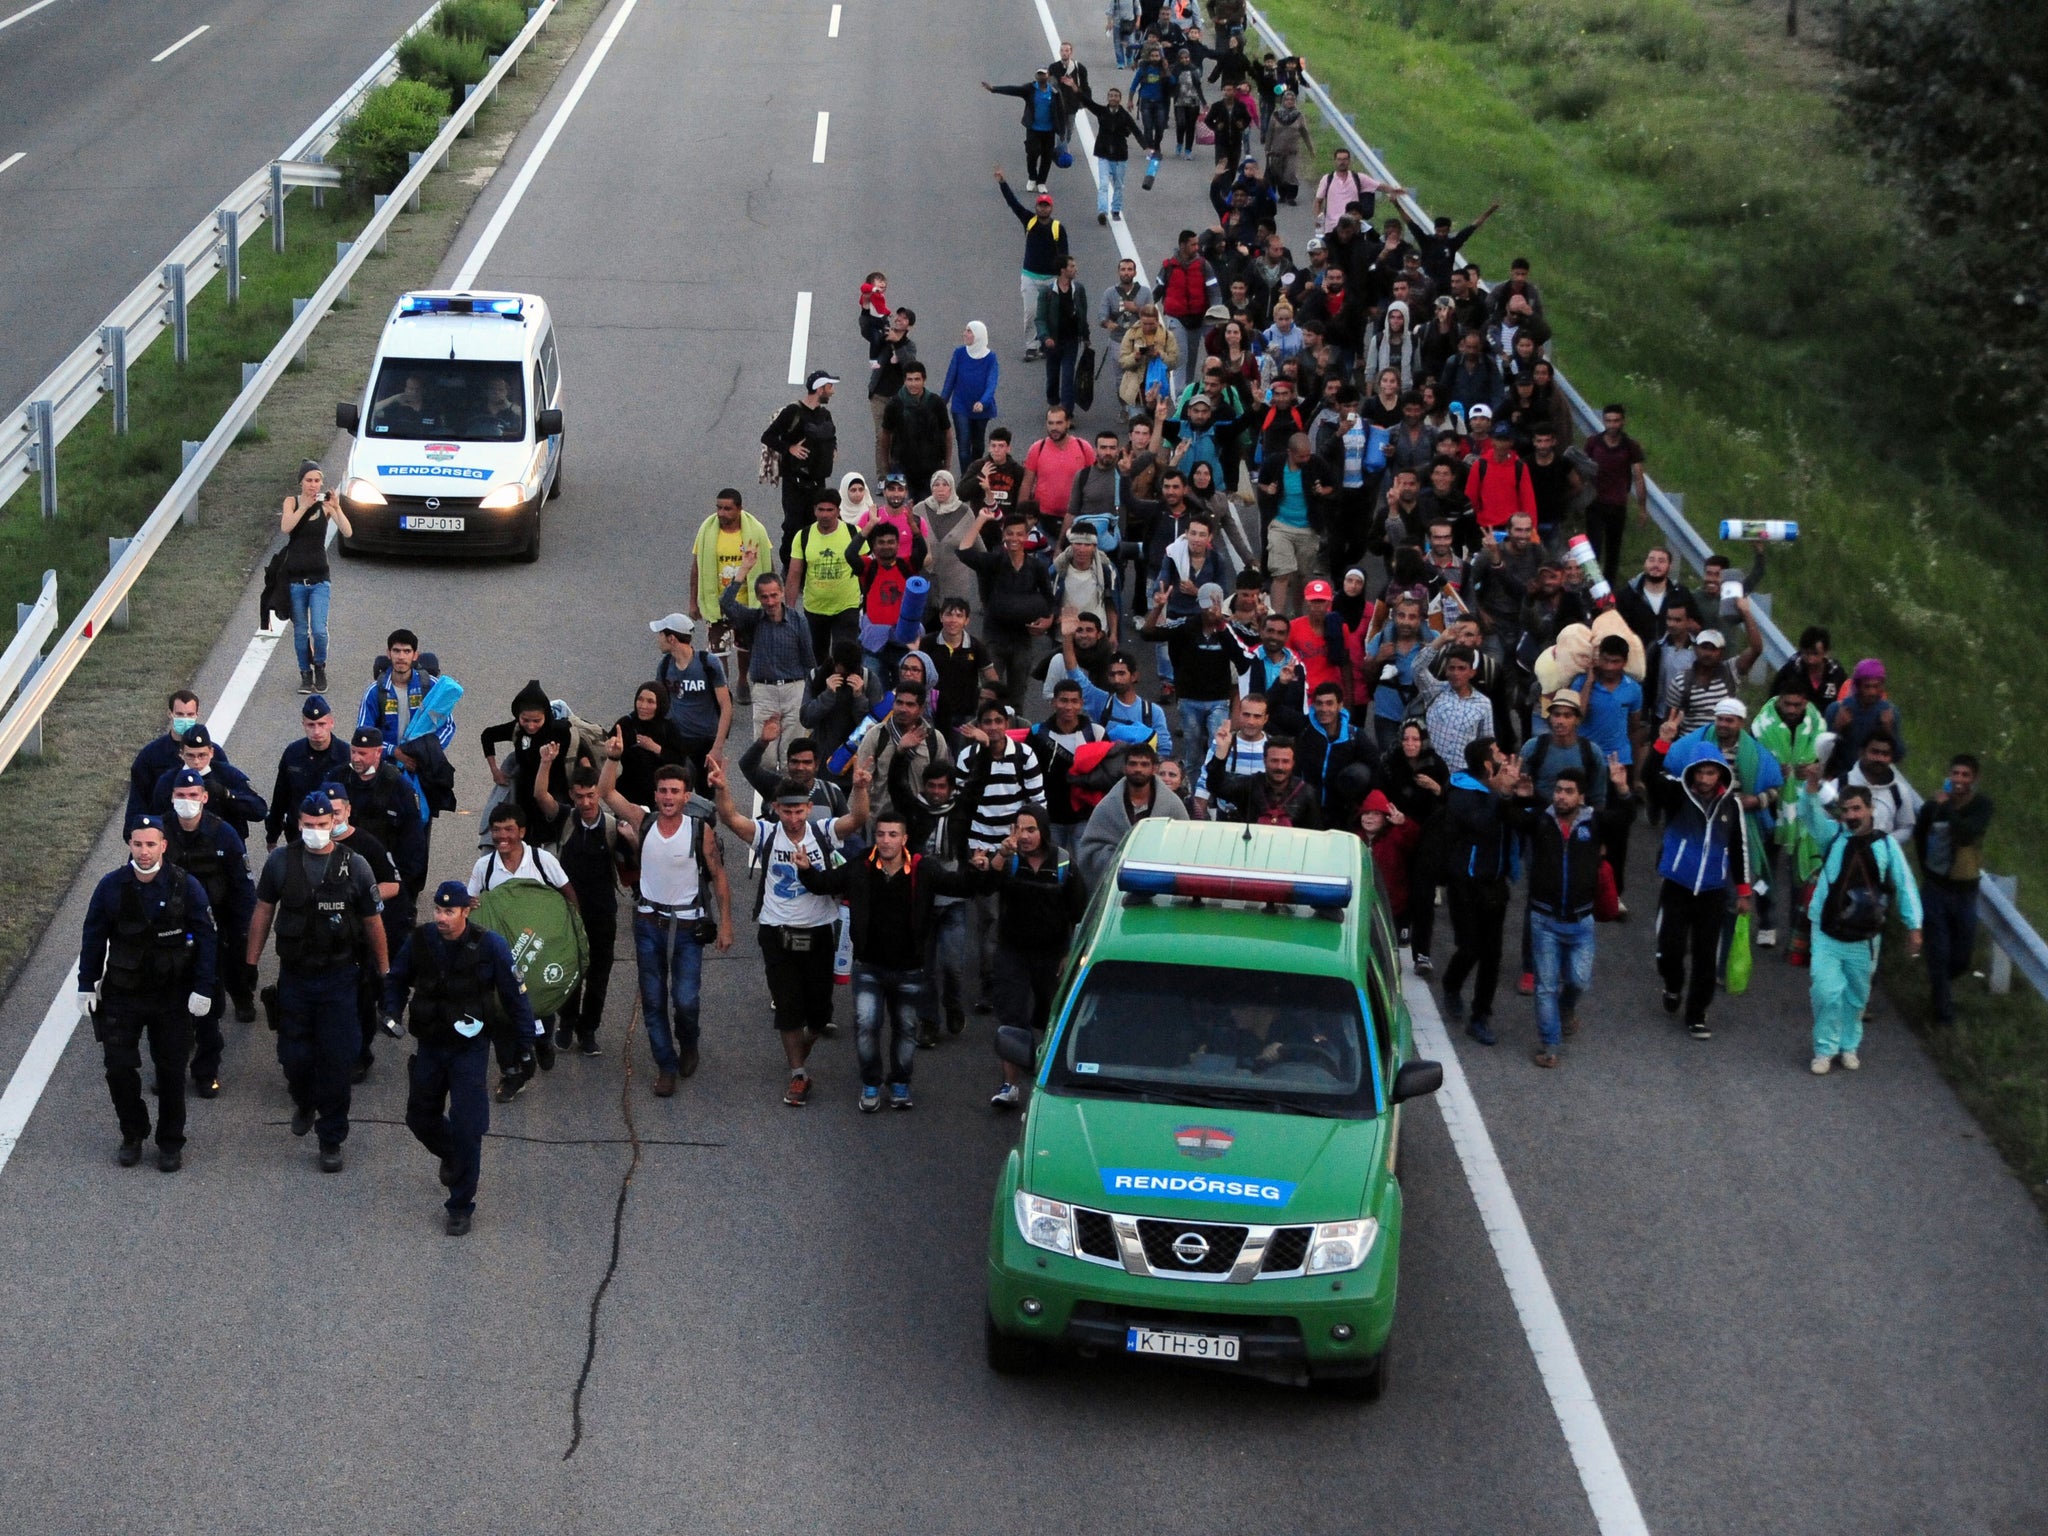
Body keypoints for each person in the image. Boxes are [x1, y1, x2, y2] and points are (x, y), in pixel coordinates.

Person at [708, 758, 869, 1106]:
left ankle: (802, 1045)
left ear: (809, 809)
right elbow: (731, 819)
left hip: (819, 932)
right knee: (787, 1007)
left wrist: (859, 788)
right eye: (787, 812)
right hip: (776, 932)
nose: (794, 819)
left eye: (800, 812)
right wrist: (722, 789)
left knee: (820, 1014)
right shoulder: (767, 834)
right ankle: (798, 1074)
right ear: (776, 809)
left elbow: (857, 819)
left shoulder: (823, 833)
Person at [379, 882, 535, 1235]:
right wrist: (391, 1011)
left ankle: (460, 1204)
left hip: (469, 1049)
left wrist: (527, 1044)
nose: (442, 918)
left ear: (467, 911)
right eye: (438, 910)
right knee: (419, 1117)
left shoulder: (490, 945)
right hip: (431, 1045)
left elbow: (515, 996)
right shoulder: (421, 941)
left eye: (450, 912)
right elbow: (397, 979)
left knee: (468, 1127)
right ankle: (452, 1154)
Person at [793, 808, 975, 1109]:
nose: (886, 840)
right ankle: (871, 1084)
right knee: (866, 1024)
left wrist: (984, 867)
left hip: (909, 969)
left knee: (905, 1029)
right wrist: (806, 869)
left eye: (892, 835)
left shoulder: (923, 869)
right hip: (869, 968)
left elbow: (962, 887)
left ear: (904, 838)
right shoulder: (860, 865)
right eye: (880, 834)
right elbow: (825, 883)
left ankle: (900, 1083)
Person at [245, 791, 387, 1170]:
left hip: (340, 978)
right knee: (294, 1057)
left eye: (323, 825)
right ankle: (304, 1100)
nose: (316, 832)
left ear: (333, 825)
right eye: (309, 825)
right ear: (299, 824)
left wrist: (385, 972)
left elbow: (373, 922)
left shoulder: (355, 866)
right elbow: (263, 911)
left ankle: (331, 1138)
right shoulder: (280, 862)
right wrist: (251, 961)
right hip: (296, 978)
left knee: (338, 1061)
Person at [77, 817, 218, 1171]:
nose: (144, 851)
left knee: (171, 1072)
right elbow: (94, 936)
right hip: (123, 995)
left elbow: (205, 939)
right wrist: (86, 982)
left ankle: (170, 1143)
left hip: (172, 996)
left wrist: (203, 988)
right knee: (118, 1068)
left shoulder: (186, 887)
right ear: (130, 845)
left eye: (151, 844)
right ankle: (133, 1133)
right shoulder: (111, 887)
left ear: (163, 846)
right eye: (138, 844)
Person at [606, 764, 731, 1096]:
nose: (668, 797)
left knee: (686, 1000)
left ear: (686, 796)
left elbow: (718, 875)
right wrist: (612, 759)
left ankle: (689, 1042)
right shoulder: (643, 821)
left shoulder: (698, 830)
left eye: (675, 791)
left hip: (688, 927)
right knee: (653, 1000)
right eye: (663, 790)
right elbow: (607, 792)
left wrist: (726, 924)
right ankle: (666, 1065)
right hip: (648, 924)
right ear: (655, 794)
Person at [1511, 759, 1638, 1067]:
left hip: (1581, 921)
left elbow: (1625, 820)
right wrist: (1514, 793)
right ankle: (1550, 1044)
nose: (1561, 797)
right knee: (1545, 986)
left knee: (1579, 981)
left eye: (1568, 791)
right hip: (1544, 920)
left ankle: (1567, 1009)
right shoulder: (1541, 820)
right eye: (1558, 790)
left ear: (1581, 796)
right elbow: (1510, 818)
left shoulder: (1594, 822)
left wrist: (1622, 789)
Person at [1802, 784, 1923, 1075]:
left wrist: (1914, 926)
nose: (1851, 815)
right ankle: (1824, 1049)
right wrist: (1810, 789)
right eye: (1845, 810)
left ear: (1870, 810)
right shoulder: (1831, 836)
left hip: (1865, 937)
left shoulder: (1886, 845)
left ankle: (1849, 1046)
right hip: (1827, 931)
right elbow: (1808, 814)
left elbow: (1905, 885)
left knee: (1857, 996)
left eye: (1857, 808)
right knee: (1826, 991)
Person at [975, 804, 1088, 1108]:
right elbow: (985, 888)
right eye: (1018, 829)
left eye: (1030, 830)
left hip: (1052, 955)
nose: (1023, 836)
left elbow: (1080, 913)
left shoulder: (1064, 864)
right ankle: (1009, 1085)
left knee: (1049, 1016)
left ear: (1043, 831)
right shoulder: (1009, 861)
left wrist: (1070, 954)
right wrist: (1000, 856)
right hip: (1012, 952)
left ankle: (1047, 1079)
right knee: (1012, 1016)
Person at [1645, 740, 1751, 1040]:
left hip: (1713, 890)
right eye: (1700, 773)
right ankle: (1673, 984)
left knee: (1706, 956)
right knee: (1670, 947)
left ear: (1720, 775)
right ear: (1691, 772)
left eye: (1711, 773)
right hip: (1676, 885)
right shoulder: (1676, 794)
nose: (1705, 780)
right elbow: (1649, 777)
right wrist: (1661, 742)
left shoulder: (1732, 805)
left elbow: (1738, 846)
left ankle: (1697, 1014)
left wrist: (1743, 891)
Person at [161, 768, 254, 1093]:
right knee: (167, 1011)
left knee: (207, 1008)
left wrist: (243, 935)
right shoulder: (160, 833)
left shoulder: (223, 834)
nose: (187, 802)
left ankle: (205, 1071)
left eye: (193, 796)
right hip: (168, 936)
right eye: (181, 796)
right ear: (173, 798)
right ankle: (169, 1072)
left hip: (211, 935)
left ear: (204, 797)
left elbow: (243, 890)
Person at [322, 777, 406, 1085]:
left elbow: (393, 884)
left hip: (356, 939)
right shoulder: (302, 848)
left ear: (347, 810)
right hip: (318, 941)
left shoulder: (367, 844)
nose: (331, 820)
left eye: (336, 811)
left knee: (360, 1000)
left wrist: (359, 899)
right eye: (324, 814)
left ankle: (360, 1055)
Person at [1438, 739, 1521, 1043]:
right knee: (1470, 946)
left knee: (1493, 955)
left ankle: (1481, 1016)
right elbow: (1483, 824)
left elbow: (1521, 819)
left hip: (1495, 883)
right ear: (1488, 765)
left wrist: (1516, 794)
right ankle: (1451, 983)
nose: (1505, 756)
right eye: (1499, 752)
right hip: (1466, 883)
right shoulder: (1462, 793)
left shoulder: (1498, 793)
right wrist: (1502, 795)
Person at [1913, 755, 1993, 1026]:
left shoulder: (1981, 806)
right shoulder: (1931, 808)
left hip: (1966, 891)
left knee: (1961, 956)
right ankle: (1943, 1016)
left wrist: (1947, 809)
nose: (1959, 780)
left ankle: (1939, 983)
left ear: (1974, 780)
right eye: (1955, 773)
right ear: (1948, 775)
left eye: (1965, 775)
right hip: (1936, 888)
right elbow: (1920, 837)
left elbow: (1967, 833)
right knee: (1939, 950)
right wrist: (1927, 871)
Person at [957, 510, 1056, 700]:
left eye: (1019, 534)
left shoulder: (1037, 567)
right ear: (1004, 534)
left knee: (1017, 696)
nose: (1014, 538)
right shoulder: (993, 561)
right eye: (1010, 533)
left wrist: (1048, 621)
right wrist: (982, 519)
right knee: (989, 694)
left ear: (1027, 536)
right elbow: (964, 551)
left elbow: (1049, 599)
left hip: (1023, 639)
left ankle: (1013, 729)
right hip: (994, 637)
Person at [689, 489, 776, 699]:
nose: (721, 513)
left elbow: (767, 563)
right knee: (718, 652)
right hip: (716, 603)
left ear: (739, 508)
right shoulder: (707, 531)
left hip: (746, 603)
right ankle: (723, 690)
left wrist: (772, 600)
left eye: (727, 508)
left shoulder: (756, 531)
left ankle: (742, 679)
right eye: (719, 507)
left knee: (745, 648)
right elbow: (697, 567)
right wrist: (693, 602)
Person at [478, 678, 584, 849]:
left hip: (554, 796)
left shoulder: (560, 730)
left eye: (537, 720)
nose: (531, 726)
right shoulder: (517, 729)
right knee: (526, 847)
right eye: (525, 719)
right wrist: (495, 770)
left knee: (555, 847)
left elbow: (581, 754)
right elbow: (487, 735)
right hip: (524, 798)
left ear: (546, 716)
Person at [279, 461, 349, 694]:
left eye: (317, 480)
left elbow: (348, 531)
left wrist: (337, 508)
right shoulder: (292, 502)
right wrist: (303, 507)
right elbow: (286, 527)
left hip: (320, 579)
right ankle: (305, 674)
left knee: (318, 630)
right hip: (296, 580)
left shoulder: (325, 507)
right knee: (300, 631)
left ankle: (319, 665)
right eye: (309, 480)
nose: (313, 485)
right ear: (301, 482)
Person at [1074, 742, 1187, 886]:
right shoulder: (1108, 806)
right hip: (1115, 888)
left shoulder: (1172, 805)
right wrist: (1118, 859)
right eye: (1133, 764)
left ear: (1154, 769)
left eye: (1144, 764)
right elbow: (1090, 851)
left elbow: (1185, 847)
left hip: (1161, 886)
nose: (1138, 769)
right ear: (1124, 768)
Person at [761, 370, 840, 565]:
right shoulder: (792, 412)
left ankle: (808, 566)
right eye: (830, 387)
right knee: (793, 526)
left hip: (818, 481)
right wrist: (790, 448)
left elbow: (832, 436)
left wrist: (833, 449)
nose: (833, 391)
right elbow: (768, 436)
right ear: (819, 388)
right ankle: (788, 566)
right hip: (794, 483)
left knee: (814, 525)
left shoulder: (825, 414)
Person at [994, 169, 1071, 360]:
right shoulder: (1029, 220)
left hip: (1051, 279)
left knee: (1050, 315)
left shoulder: (1057, 228)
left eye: (1046, 206)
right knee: (1031, 312)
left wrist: (1064, 279)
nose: (1043, 208)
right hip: (1030, 276)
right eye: (1040, 205)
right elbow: (1013, 203)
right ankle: (1030, 346)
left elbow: (1064, 256)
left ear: (1051, 208)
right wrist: (1003, 183)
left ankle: (1046, 344)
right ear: (1037, 207)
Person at [649, 615, 733, 787]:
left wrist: (717, 748)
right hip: (677, 742)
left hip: (706, 741)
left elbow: (726, 706)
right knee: (677, 790)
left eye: (661, 635)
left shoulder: (708, 663)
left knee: (707, 793)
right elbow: (658, 704)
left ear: (671, 638)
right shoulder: (664, 665)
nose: (658, 639)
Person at [265, 695, 351, 849]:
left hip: (337, 834)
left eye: (321, 724)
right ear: (303, 724)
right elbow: (280, 797)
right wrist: (272, 834)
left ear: (331, 722)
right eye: (311, 725)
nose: (317, 731)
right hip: (300, 832)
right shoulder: (292, 753)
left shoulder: (346, 755)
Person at [355, 629, 453, 750]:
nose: (401, 657)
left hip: (423, 763)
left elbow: (447, 725)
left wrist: (429, 750)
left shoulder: (431, 685)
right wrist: (393, 751)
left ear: (415, 655)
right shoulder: (374, 692)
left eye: (407, 651)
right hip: (386, 764)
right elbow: (364, 734)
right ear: (389, 653)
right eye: (396, 651)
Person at [1582, 404, 1647, 575]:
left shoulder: (1630, 446)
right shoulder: (1593, 443)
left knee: (1613, 552)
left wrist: (1642, 508)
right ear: (1603, 421)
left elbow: (1639, 477)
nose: (1612, 425)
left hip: (1617, 504)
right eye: (1608, 421)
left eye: (1616, 421)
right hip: (1595, 502)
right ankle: (1592, 587)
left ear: (1623, 422)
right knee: (1593, 550)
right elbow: (1581, 469)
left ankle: (1609, 592)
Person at [983, 70, 1069, 193]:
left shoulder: (1054, 92)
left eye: (1043, 74)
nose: (1041, 76)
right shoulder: (1030, 89)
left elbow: (1060, 112)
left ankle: (1041, 182)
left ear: (1048, 76)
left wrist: (1061, 131)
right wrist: (994, 89)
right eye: (1039, 74)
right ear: (1036, 77)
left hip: (1049, 130)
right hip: (1033, 128)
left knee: (1047, 156)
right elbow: (1013, 90)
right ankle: (1032, 178)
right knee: (1032, 153)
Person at [1072, 84, 1141, 223]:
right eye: (1110, 96)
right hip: (1103, 154)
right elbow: (1088, 102)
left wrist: (1147, 147)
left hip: (1120, 155)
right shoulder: (1102, 111)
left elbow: (1136, 130)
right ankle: (1102, 211)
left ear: (1120, 99)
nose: (1113, 98)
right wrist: (1076, 89)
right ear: (1108, 98)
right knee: (1103, 184)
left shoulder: (1124, 116)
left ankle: (1116, 209)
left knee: (1119, 184)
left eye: (1115, 96)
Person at [1035, 259, 1091, 417]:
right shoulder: (1047, 292)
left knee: (1068, 376)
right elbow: (1040, 318)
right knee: (1052, 376)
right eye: (1072, 266)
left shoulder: (1078, 290)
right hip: (1053, 342)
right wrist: (1045, 337)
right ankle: (1053, 403)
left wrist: (1086, 336)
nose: (1075, 269)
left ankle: (1066, 412)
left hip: (1071, 341)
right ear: (1062, 270)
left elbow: (1083, 314)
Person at [941, 323, 1000, 471]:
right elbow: (950, 379)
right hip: (961, 405)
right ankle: (966, 477)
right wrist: (941, 403)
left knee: (978, 444)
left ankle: (975, 473)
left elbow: (991, 383)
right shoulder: (959, 353)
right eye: (966, 330)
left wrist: (983, 402)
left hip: (981, 409)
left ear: (979, 335)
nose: (965, 334)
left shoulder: (990, 358)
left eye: (969, 331)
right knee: (964, 443)